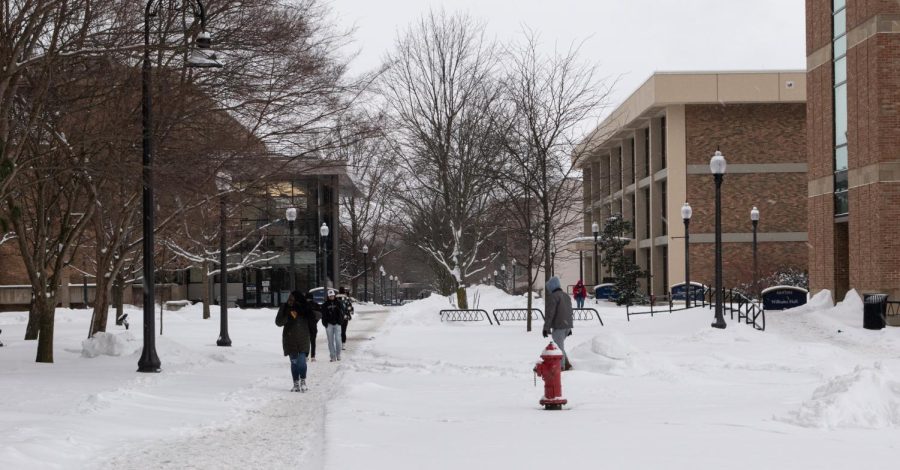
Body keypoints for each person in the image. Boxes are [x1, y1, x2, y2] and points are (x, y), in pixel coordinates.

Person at [275, 291, 317, 392]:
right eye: (291, 298)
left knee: (302, 362)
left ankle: (303, 381)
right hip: (290, 339)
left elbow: (315, 317)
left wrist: (310, 313)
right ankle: (295, 383)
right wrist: (288, 316)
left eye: (294, 299)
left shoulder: (305, 308)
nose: (292, 301)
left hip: (303, 338)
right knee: (294, 363)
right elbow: (278, 322)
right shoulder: (285, 307)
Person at [543, 276, 574, 371]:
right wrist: (569, 326)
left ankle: (561, 368)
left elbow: (550, 314)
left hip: (559, 326)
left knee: (558, 348)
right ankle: (567, 364)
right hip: (566, 326)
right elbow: (569, 311)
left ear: (551, 287)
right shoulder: (566, 296)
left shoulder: (553, 297)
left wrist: (546, 328)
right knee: (559, 346)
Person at [321, 289, 347, 361]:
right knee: (330, 341)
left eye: (332, 296)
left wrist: (340, 321)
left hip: (337, 324)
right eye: (330, 296)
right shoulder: (325, 305)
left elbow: (343, 312)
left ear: (334, 295)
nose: (331, 297)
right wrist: (325, 323)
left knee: (338, 340)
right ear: (328, 296)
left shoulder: (339, 303)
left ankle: (338, 354)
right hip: (329, 324)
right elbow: (323, 315)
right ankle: (332, 356)